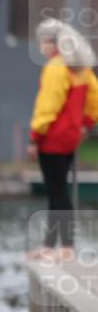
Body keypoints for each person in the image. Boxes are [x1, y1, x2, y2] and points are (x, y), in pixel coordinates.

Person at [27, 18, 98, 262]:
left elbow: (48, 106)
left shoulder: (56, 67)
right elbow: (94, 99)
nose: (41, 48)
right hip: (71, 138)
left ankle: (66, 245)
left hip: (52, 139)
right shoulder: (81, 68)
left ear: (52, 43)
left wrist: (34, 137)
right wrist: (86, 124)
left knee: (57, 192)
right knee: (58, 190)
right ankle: (50, 244)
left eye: (43, 43)